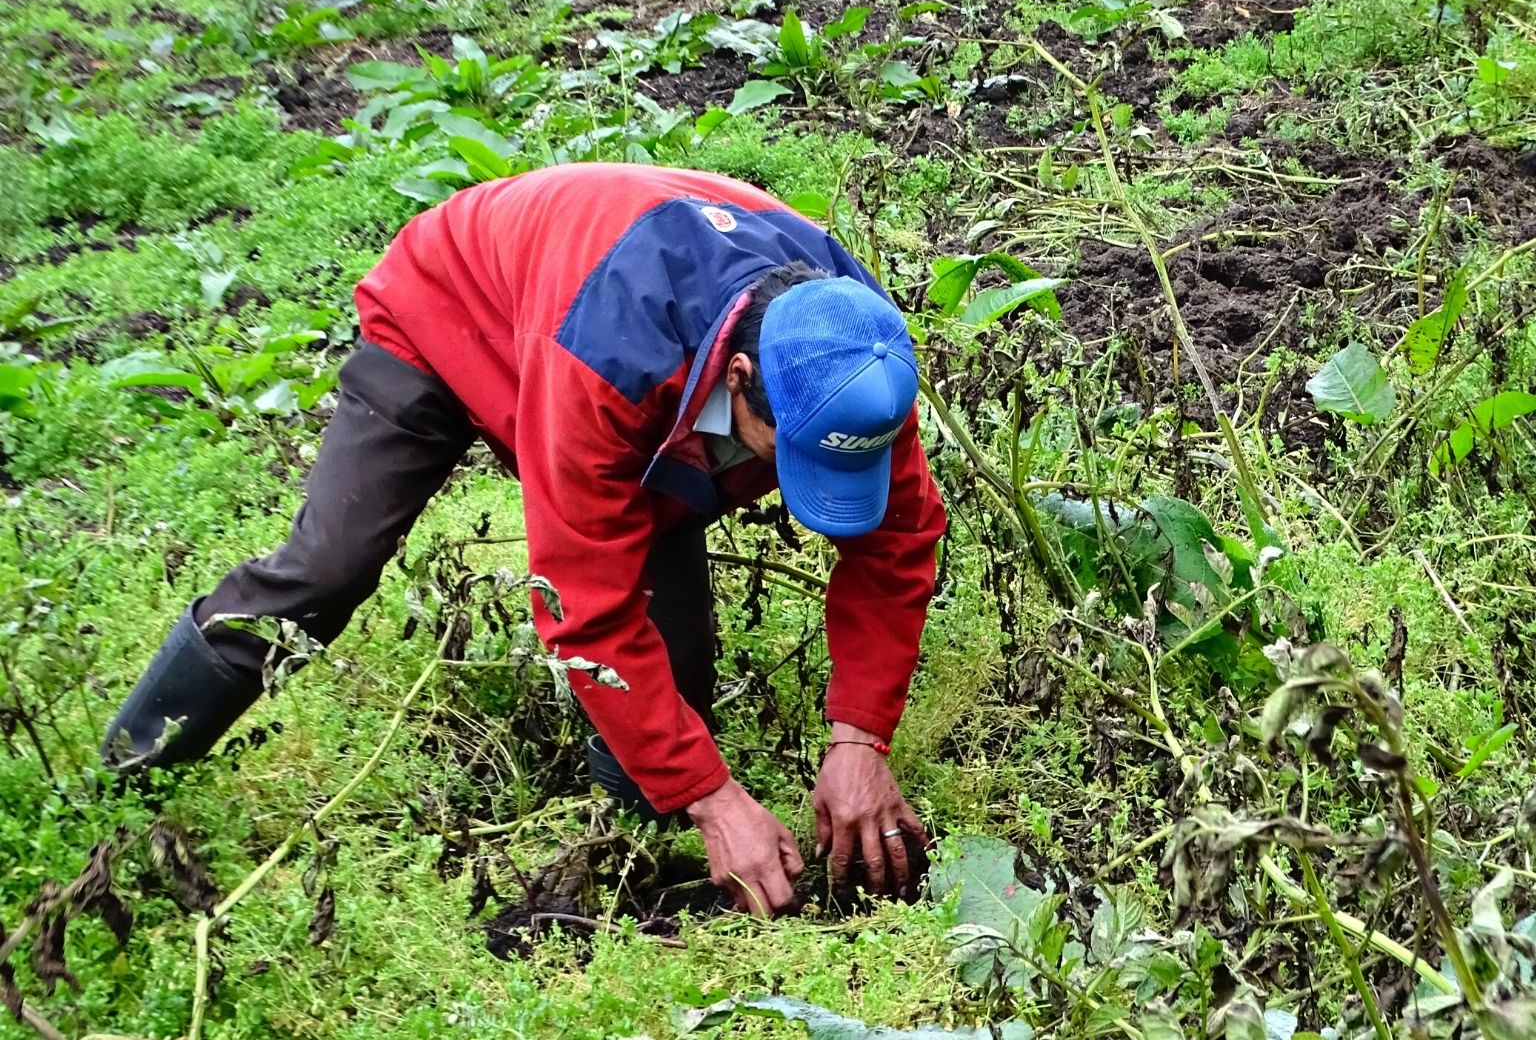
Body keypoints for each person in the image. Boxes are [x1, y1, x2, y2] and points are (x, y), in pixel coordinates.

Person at [100, 164, 948, 915]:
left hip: (625, 347)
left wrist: (858, 739)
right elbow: (586, 609)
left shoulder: (855, 355)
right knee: (327, 570)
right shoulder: (609, 359)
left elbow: (900, 540)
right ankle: (123, 778)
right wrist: (715, 796)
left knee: (675, 664)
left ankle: (627, 854)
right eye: (786, 453)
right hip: (453, 310)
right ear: (740, 380)